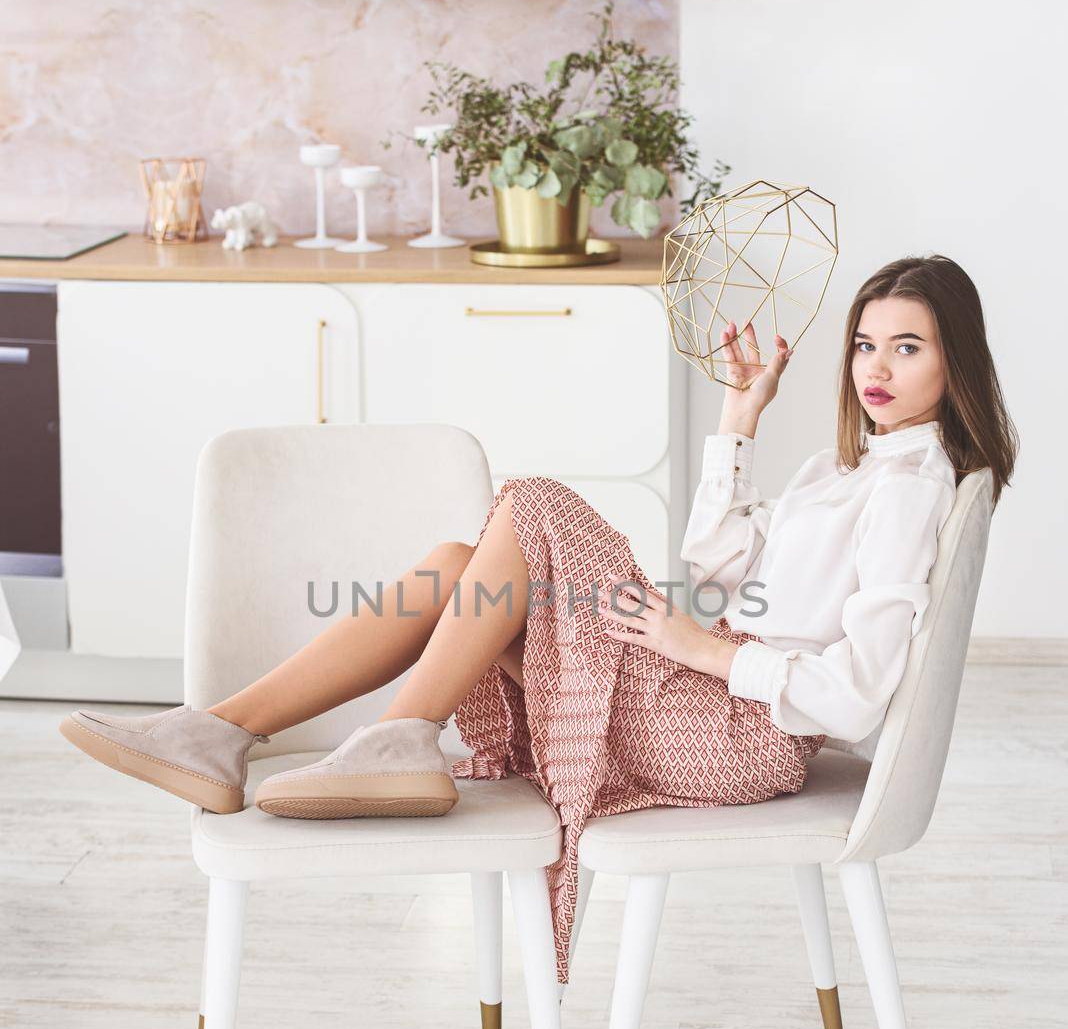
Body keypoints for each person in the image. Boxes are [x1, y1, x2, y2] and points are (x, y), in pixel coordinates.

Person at [59, 253, 1018, 984]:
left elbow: (858, 692)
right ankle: (225, 733)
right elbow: (716, 566)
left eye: (907, 347)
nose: (875, 368)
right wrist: (738, 418)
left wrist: (704, 651)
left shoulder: (911, 488)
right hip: (711, 693)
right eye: (864, 343)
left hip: (742, 734)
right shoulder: (846, 471)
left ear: (954, 361)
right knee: (452, 568)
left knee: (537, 503)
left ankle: (395, 737)